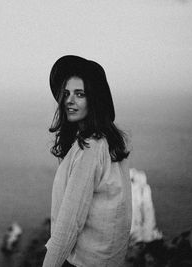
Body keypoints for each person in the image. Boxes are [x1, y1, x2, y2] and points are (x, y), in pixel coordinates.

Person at [43, 55, 132, 267]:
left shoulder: (90, 148)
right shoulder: (107, 141)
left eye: (79, 94)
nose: (69, 101)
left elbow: (68, 225)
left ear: (94, 99)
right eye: (65, 93)